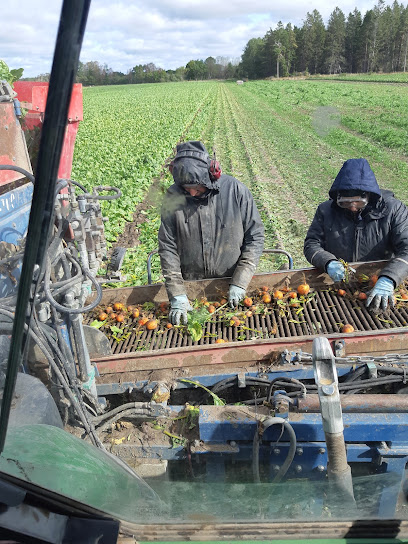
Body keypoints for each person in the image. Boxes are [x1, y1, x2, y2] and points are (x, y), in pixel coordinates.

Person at [158, 141, 265, 324]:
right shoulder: (173, 197)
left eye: (197, 187)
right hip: (192, 288)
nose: (191, 193)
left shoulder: (235, 191)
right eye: (186, 188)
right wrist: (178, 295)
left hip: (231, 283)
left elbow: (255, 236)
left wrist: (241, 280)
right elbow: (168, 247)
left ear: (211, 175)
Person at [304, 158, 408, 311]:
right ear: (337, 198)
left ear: (369, 196)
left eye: (358, 203)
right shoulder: (326, 210)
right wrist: (328, 262)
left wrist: (389, 278)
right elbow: (311, 244)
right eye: (345, 203)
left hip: (378, 282)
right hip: (338, 287)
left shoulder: (393, 210)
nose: (352, 208)